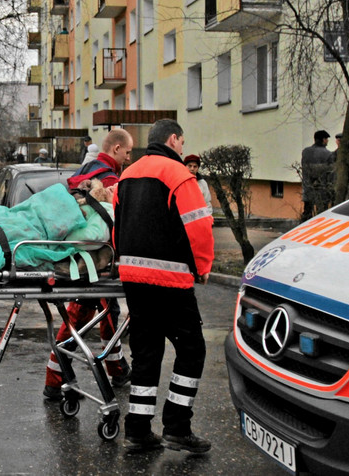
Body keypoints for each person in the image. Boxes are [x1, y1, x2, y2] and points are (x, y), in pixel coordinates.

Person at [114, 118, 214, 455]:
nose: (183, 150)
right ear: (173, 139)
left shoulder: (127, 175)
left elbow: (117, 226)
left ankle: (138, 431)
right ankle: (177, 427)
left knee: (146, 353)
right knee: (191, 350)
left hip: (133, 278)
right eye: (182, 143)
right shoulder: (179, 176)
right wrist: (202, 267)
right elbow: (198, 227)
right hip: (170, 281)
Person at [45, 128, 135, 401]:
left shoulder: (86, 171)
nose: (129, 158)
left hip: (84, 260)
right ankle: (59, 377)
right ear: (117, 148)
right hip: (98, 261)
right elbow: (111, 223)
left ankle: (114, 369)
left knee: (91, 313)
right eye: (128, 152)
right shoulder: (107, 178)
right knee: (93, 314)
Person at [301, 129, 336, 220]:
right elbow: (331, 174)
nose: (328, 141)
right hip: (322, 189)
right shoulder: (328, 154)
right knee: (322, 214)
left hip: (308, 187)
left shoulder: (305, 152)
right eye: (327, 139)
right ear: (323, 140)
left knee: (307, 213)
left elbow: (304, 169)